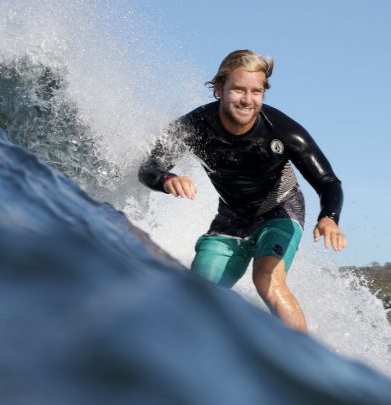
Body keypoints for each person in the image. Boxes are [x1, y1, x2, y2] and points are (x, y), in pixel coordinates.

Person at [139, 49, 345, 333]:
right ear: (219, 88)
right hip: (232, 217)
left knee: (267, 280)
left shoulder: (282, 130)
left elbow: (328, 181)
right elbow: (149, 166)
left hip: (281, 209)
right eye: (238, 90)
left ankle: (303, 366)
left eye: (256, 91)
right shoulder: (195, 125)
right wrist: (166, 178)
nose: (247, 100)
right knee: (198, 295)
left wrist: (330, 216)